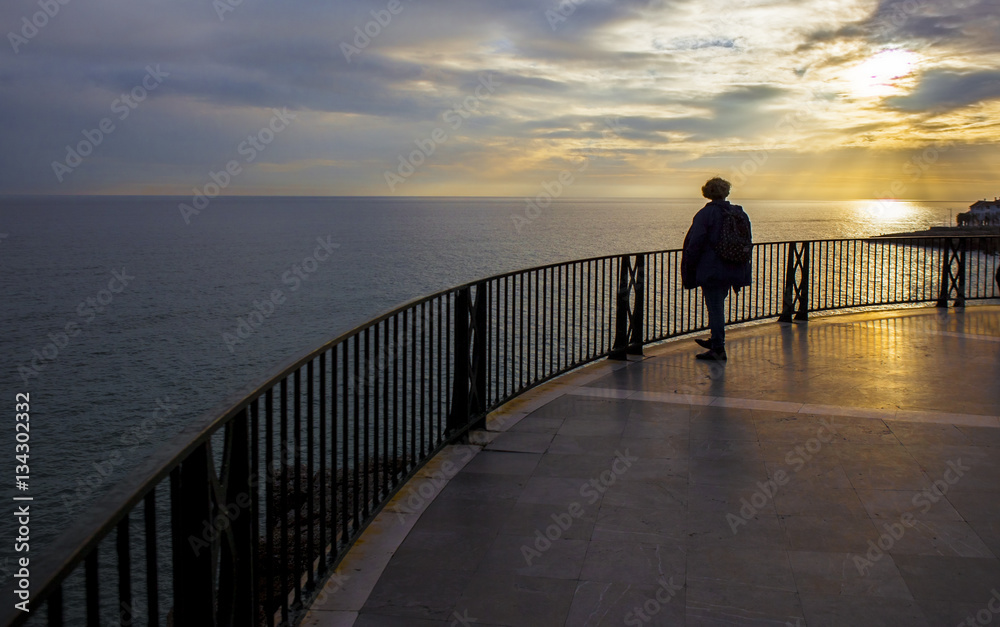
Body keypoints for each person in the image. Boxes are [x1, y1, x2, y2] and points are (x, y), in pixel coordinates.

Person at [681, 177, 752, 361]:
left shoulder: (706, 214)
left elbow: (695, 243)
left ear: (707, 193)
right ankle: (715, 339)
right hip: (733, 266)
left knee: (715, 308)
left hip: (712, 268)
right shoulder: (738, 213)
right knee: (717, 304)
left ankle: (718, 348)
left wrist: (690, 264)